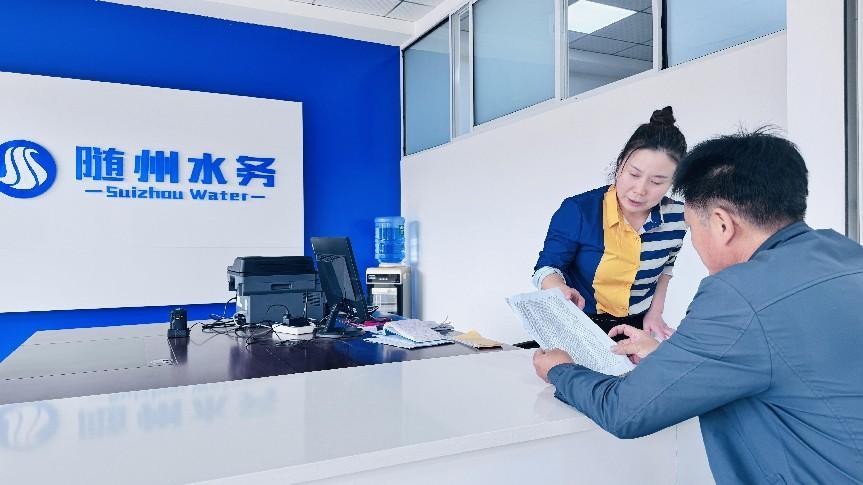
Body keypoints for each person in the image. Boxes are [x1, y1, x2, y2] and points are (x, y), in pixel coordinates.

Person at [532, 130, 863, 484]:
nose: (641, 189)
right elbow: (782, 353)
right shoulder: (846, 253)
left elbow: (625, 410)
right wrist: (672, 355)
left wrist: (561, 370)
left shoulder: (736, 294)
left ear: (722, 224)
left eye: (692, 228)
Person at [532, 106, 687, 341]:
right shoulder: (580, 211)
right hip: (580, 324)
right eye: (633, 174)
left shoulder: (678, 217)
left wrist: (655, 313)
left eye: (657, 182)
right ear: (620, 163)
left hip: (635, 329)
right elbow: (546, 268)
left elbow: (667, 266)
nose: (640, 190)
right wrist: (559, 289)